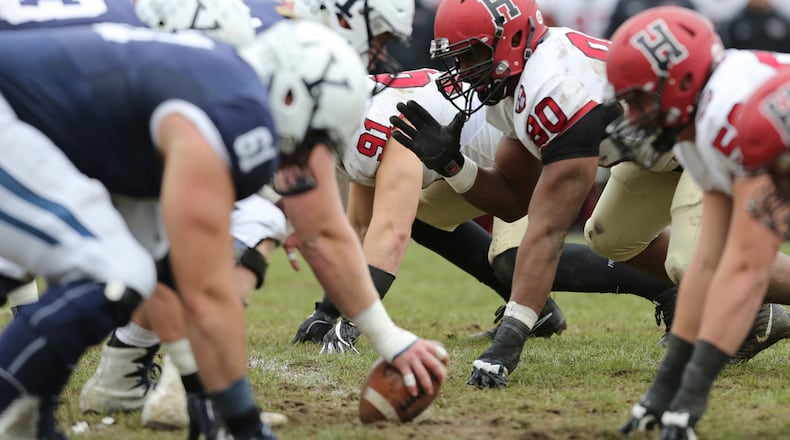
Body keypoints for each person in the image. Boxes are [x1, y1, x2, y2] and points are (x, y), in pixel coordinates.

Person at [0, 20, 447, 440]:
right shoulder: (230, 115)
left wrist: (391, 339)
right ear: (290, 98)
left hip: (34, 129)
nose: (312, 156)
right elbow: (208, 291)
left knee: (142, 266)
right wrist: (243, 422)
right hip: (13, 121)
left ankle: (27, 416)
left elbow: (318, 234)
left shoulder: (228, 83)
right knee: (114, 274)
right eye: (315, 138)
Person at [300, 67, 679, 355]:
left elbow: (389, 232)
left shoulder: (383, 121)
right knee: (416, 213)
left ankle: (663, 287)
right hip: (473, 165)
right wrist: (327, 310)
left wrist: (352, 322)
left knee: (513, 260)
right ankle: (539, 310)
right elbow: (361, 224)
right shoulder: (350, 113)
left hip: (527, 159)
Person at [389, 0, 667, 389]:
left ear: (513, 37)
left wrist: (509, 340)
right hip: (645, 157)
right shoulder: (514, 81)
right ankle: (725, 302)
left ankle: (740, 295)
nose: (466, 72)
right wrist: (454, 165)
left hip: (692, 147)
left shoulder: (552, 85)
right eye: (458, 58)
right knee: (610, 235)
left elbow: (548, 228)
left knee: (699, 262)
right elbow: (515, 198)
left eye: (473, 55)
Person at [602, 7, 790, 438]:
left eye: (639, 99)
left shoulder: (730, 115)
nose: (632, 116)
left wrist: (692, 396)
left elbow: (745, 269)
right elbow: (708, 264)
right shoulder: (698, 124)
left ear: (682, 80)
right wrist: (663, 389)